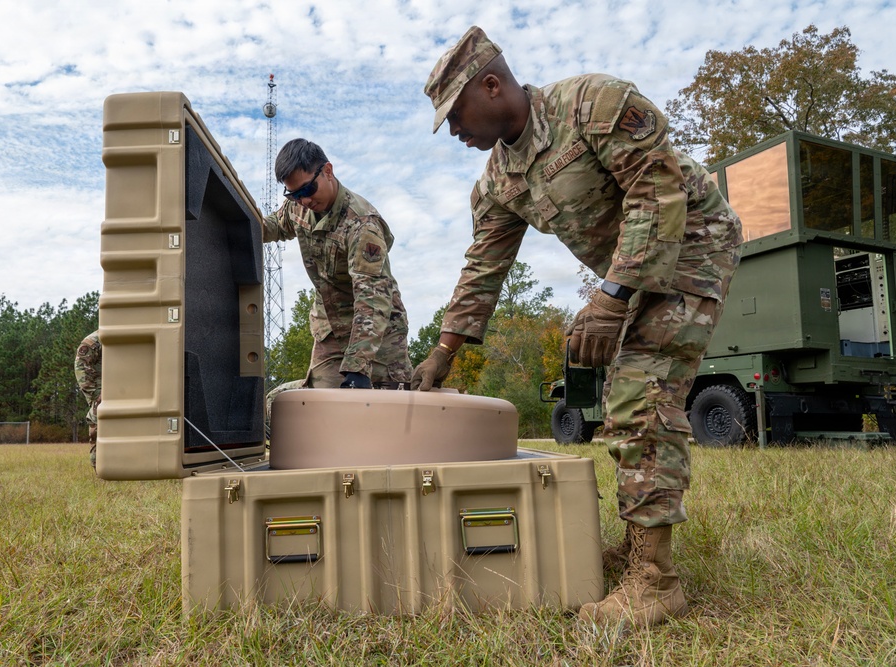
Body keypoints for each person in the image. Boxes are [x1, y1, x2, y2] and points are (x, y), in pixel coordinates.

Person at [417, 26, 742, 629]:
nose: (454, 131)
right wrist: (443, 351)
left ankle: (656, 583)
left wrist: (610, 296)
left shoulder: (592, 104)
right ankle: (643, 551)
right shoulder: (496, 183)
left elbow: (658, 191)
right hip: (632, 272)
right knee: (629, 392)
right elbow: (483, 267)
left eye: (457, 114)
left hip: (695, 241)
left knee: (638, 392)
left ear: (492, 85)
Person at [261, 138, 412, 389]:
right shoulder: (297, 208)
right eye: (294, 194)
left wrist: (358, 366)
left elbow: (372, 298)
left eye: (307, 190)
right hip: (330, 330)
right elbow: (273, 226)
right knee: (319, 410)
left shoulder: (362, 224)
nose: (304, 201)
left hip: (378, 337)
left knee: (386, 413)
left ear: (328, 171)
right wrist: (236, 221)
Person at [74, 331, 101, 468]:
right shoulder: (95, 340)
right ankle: (100, 467)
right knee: (99, 429)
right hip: (102, 394)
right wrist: (96, 395)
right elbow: (81, 367)